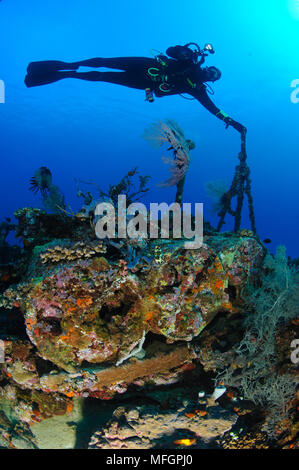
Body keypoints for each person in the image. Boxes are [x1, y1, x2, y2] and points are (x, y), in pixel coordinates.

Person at [24, 43, 246, 134]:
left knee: (101, 76)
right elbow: (170, 50)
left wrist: (231, 121)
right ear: (207, 66)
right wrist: (183, 53)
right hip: (147, 65)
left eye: (213, 77)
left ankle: (65, 75)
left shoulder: (197, 89)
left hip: (146, 83)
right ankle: (66, 66)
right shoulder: (190, 60)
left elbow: (214, 109)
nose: (210, 74)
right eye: (212, 70)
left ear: (211, 82)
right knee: (103, 61)